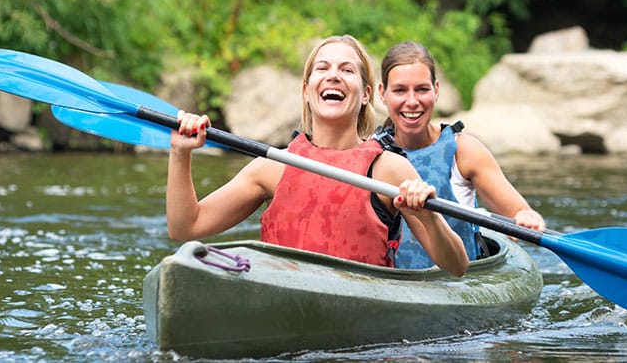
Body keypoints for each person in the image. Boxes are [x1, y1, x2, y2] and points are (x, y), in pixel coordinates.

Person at [166, 35, 468, 276]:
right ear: (306, 90)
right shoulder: (272, 168)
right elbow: (186, 227)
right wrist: (180, 153)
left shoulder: (389, 170)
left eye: (346, 70)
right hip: (283, 304)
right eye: (322, 68)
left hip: (361, 318)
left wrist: (430, 218)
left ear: (366, 94)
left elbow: (457, 266)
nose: (333, 76)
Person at [377, 41, 546, 269]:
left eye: (422, 89)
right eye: (400, 90)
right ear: (382, 93)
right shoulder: (371, 153)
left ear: (436, 90)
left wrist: (527, 217)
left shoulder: (464, 151)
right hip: (393, 282)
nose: (412, 101)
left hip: (458, 280)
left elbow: (519, 213)